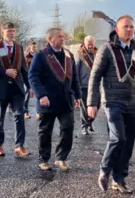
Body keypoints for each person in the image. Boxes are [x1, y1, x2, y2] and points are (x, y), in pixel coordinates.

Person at [88, 15, 135, 194]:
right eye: (125, 27)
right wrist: (92, 102)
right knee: (118, 138)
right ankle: (104, 170)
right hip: (112, 101)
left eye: (132, 27)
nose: (129, 30)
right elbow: (94, 77)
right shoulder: (106, 49)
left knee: (128, 144)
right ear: (117, 30)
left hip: (132, 102)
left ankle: (119, 179)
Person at [28, 27, 80, 171]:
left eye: (63, 36)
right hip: (48, 100)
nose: (62, 39)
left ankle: (61, 157)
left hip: (66, 99)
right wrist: (41, 95)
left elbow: (74, 77)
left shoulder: (69, 55)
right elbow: (33, 76)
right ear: (50, 39)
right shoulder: (41, 55)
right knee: (45, 131)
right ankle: (43, 159)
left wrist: (78, 95)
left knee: (67, 129)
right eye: (59, 37)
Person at [0, 22, 32, 157]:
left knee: (19, 115)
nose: (12, 33)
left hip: (16, 88)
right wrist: (5, 71)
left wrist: (30, 86)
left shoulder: (19, 48)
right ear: (2, 31)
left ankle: (19, 146)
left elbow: (23, 69)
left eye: (13, 31)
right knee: (0, 117)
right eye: (9, 31)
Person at [76, 35, 98, 135]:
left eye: (92, 44)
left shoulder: (98, 54)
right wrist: (77, 86)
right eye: (88, 44)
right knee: (84, 108)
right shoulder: (80, 55)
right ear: (85, 44)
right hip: (84, 85)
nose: (90, 46)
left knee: (97, 106)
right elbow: (76, 70)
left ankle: (89, 122)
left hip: (96, 86)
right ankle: (84, 126)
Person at [24, 41, 37, 119]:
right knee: (27, 94)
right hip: (28, 76)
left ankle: (39, 112)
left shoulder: (38, 55)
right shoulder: (26, 55)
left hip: (36, 77)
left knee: (38, 95)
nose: (34, 48)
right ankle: (25, 112)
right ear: (30, 47)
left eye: (35, 47)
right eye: (33, 47)